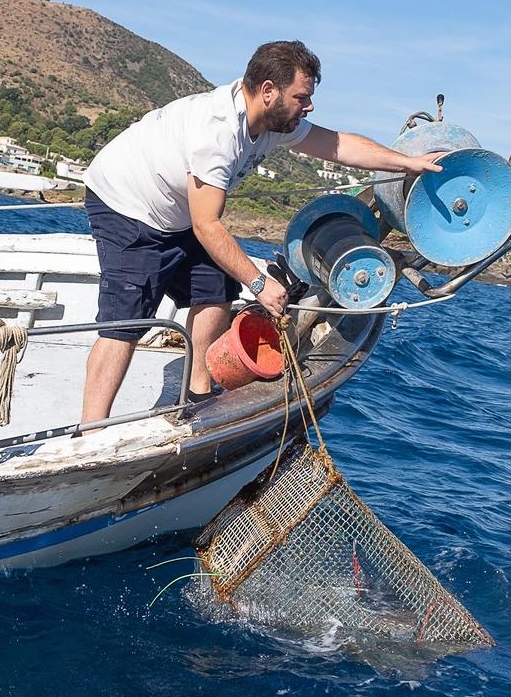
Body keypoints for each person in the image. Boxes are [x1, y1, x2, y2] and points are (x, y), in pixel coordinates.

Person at [79, 39, 447, 422]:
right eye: (301, 96)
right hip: (126, 204)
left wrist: (407, 163)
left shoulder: (275, 122)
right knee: (127, 323)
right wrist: (258, 284)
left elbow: (338, 145)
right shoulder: (217, 135)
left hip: (180, 211)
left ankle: (195, 391)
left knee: (215, 288)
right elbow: (207, 225)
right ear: (268, 91)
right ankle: (88, 433)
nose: (309, 106)